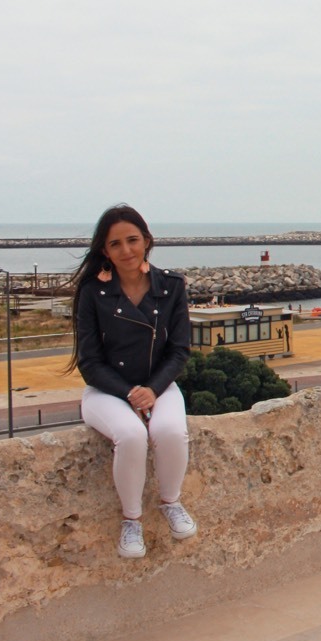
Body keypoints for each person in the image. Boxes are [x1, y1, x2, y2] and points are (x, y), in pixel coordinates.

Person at [65, 205, 197, 559]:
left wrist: (153, 389)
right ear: (104, 251)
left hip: (159, 384)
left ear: (147, 241)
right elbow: (89, 361)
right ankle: (132, 520)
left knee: (170, 432)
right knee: (132, 435)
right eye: (116, 244)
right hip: (106, 390)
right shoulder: (94, 293)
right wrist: (129, 393)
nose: (126, 250)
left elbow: (180, 350)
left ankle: (171, 502)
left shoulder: (171, 286)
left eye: (133, 240)